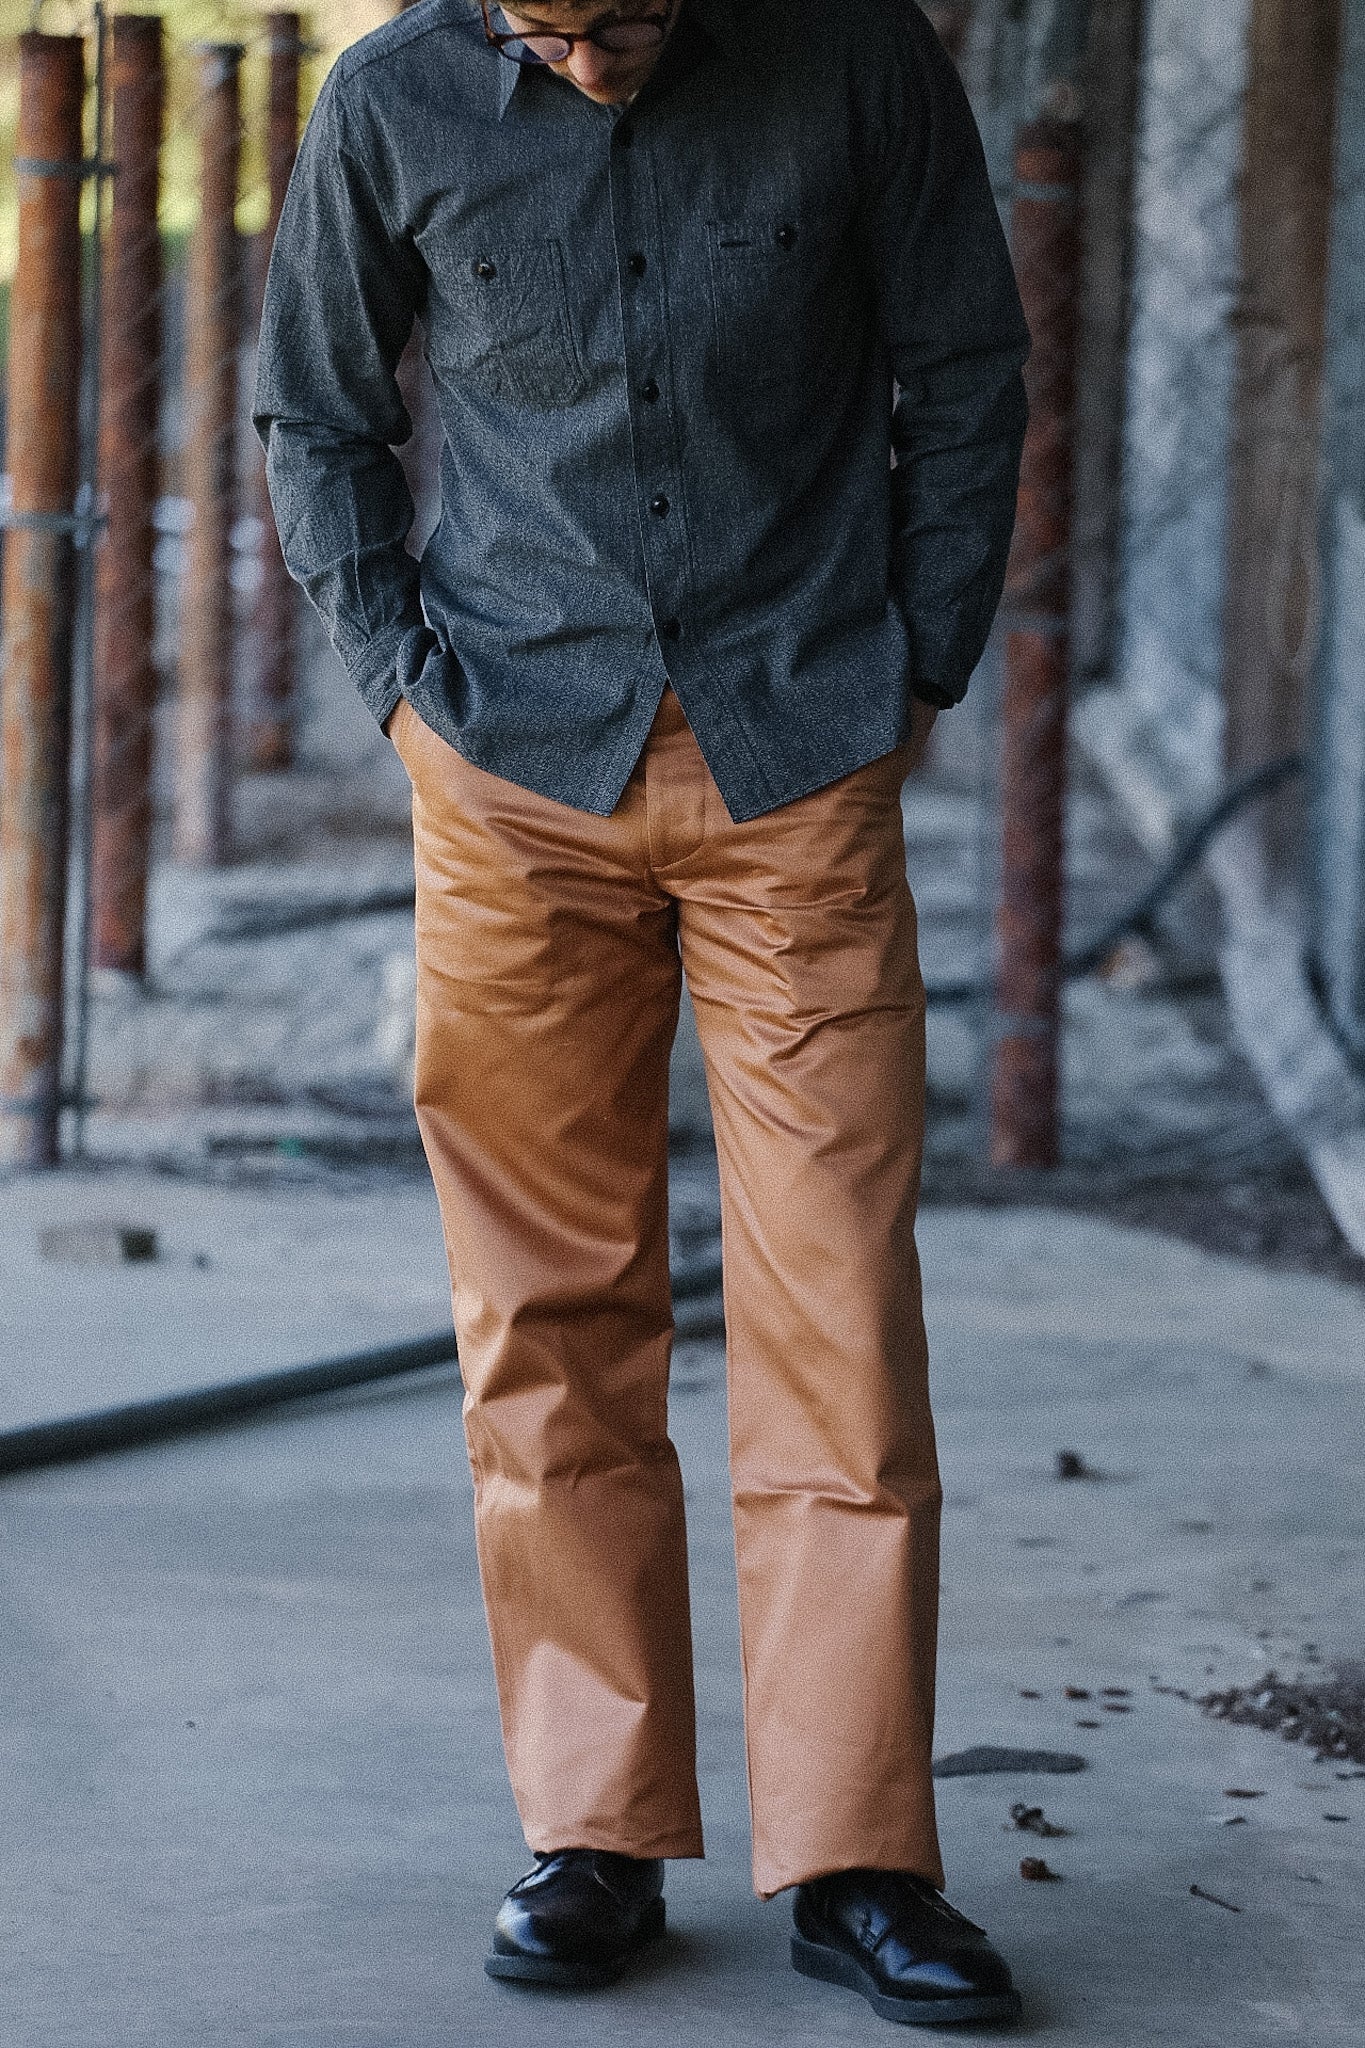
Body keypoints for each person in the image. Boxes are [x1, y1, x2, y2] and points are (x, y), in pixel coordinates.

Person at [255, 0, 1030, 2024]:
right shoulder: (390, 103)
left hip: (796, 756)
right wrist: (403, 690)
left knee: (836, 1311)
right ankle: (591, 1825)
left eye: (621, 16)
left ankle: (856, 1854)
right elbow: (315, 409)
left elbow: (962, 366)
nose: (587, 55)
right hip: (513, 771)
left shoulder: (857, 68)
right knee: (545, 1308)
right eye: (545, 25)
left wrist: (918, 659)